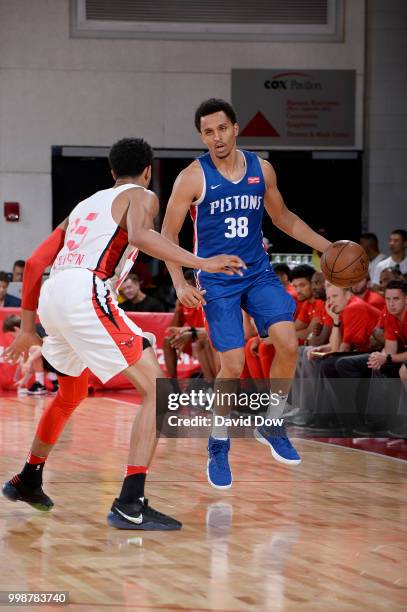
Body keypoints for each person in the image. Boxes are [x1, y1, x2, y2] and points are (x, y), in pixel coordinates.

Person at [2, 137, 244, 529]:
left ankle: (28, 478)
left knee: (72, 393)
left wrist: (28, 327)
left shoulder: (83, 206)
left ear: (111, 172)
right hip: (87, 290)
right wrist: (203, 262)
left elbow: (34, 263)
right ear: (147, 170)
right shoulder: (143, 196)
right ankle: (130, 502)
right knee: (159, 391)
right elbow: (140, 237)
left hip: (54, 293)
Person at [161, 98, 332, 489]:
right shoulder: (192, 177)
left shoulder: (261, 169)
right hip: (217, 279)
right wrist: (180, 282)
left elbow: (283, 217)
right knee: (233, 365)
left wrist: (326, 245)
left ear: (235, 128)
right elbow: (166, 236)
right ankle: (218, 443)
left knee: (288, 341)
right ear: (201, 136)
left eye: (222, 128)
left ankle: (272, 423)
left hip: (257, 272)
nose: (216, 137)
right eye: (208, 132)